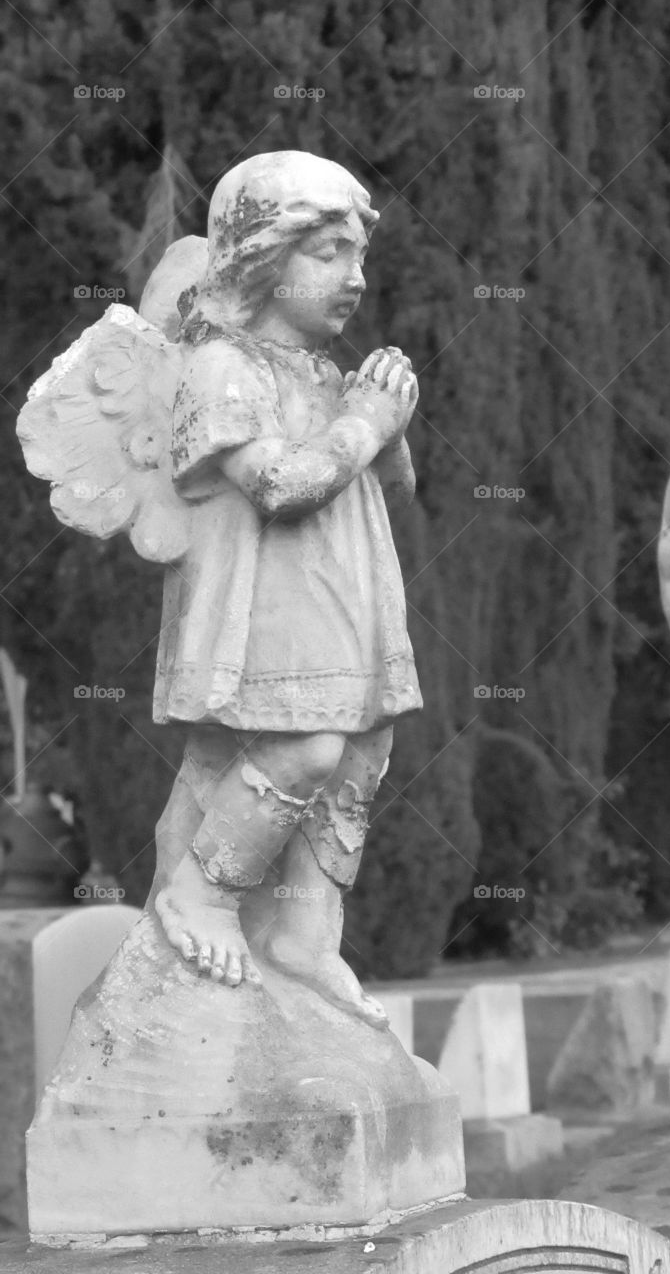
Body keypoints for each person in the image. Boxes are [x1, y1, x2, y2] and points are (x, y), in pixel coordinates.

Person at [148, 151, 422, 1024]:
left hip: (346, 601)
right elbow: (282, 487)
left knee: (360, 754)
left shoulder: (324, 374)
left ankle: (306, 934)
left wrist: (388, 418)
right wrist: (368, 422)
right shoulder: (221, 370)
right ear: (262, 260)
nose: (355, 278)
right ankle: (201, 891)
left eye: (358, 256)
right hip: (265, 612)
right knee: (304, 748)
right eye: (329, 253)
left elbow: (396, 487)